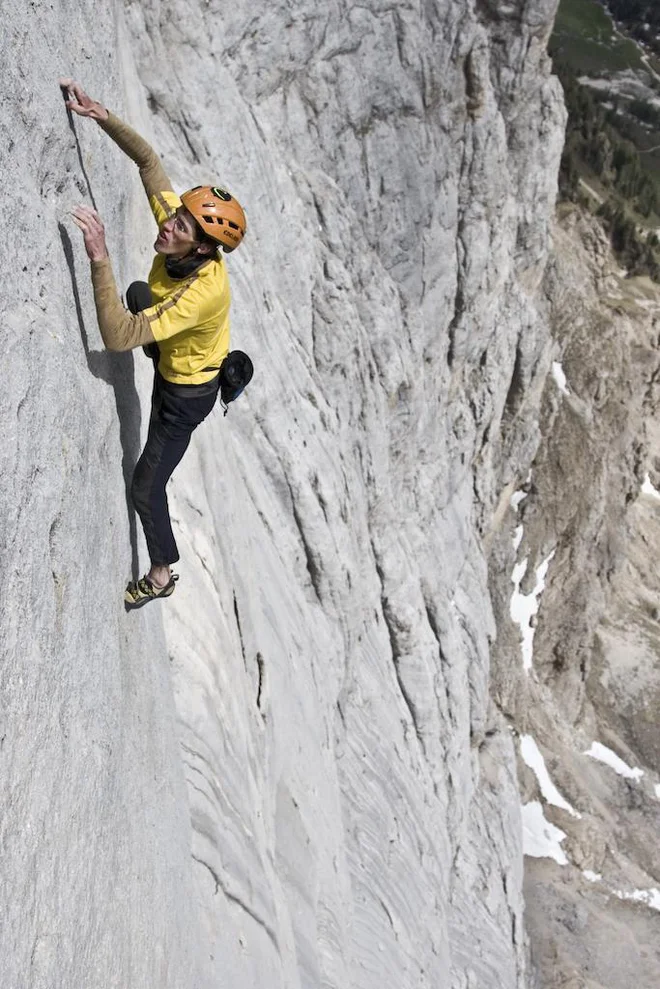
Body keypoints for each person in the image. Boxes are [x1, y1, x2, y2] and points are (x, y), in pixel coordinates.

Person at [61, 78, 247, 607]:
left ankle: (162, 576)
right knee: (142, 290)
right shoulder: (182, 228)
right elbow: (148, 161)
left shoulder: (202, 293)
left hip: (185, 397)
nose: (168, 227)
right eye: (176, 216)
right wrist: (102, 115)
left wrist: (98, 256)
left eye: (182, 228)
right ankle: (159, 342)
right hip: (175, 352)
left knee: (146, 485)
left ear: (205, 247)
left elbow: (117, 335)